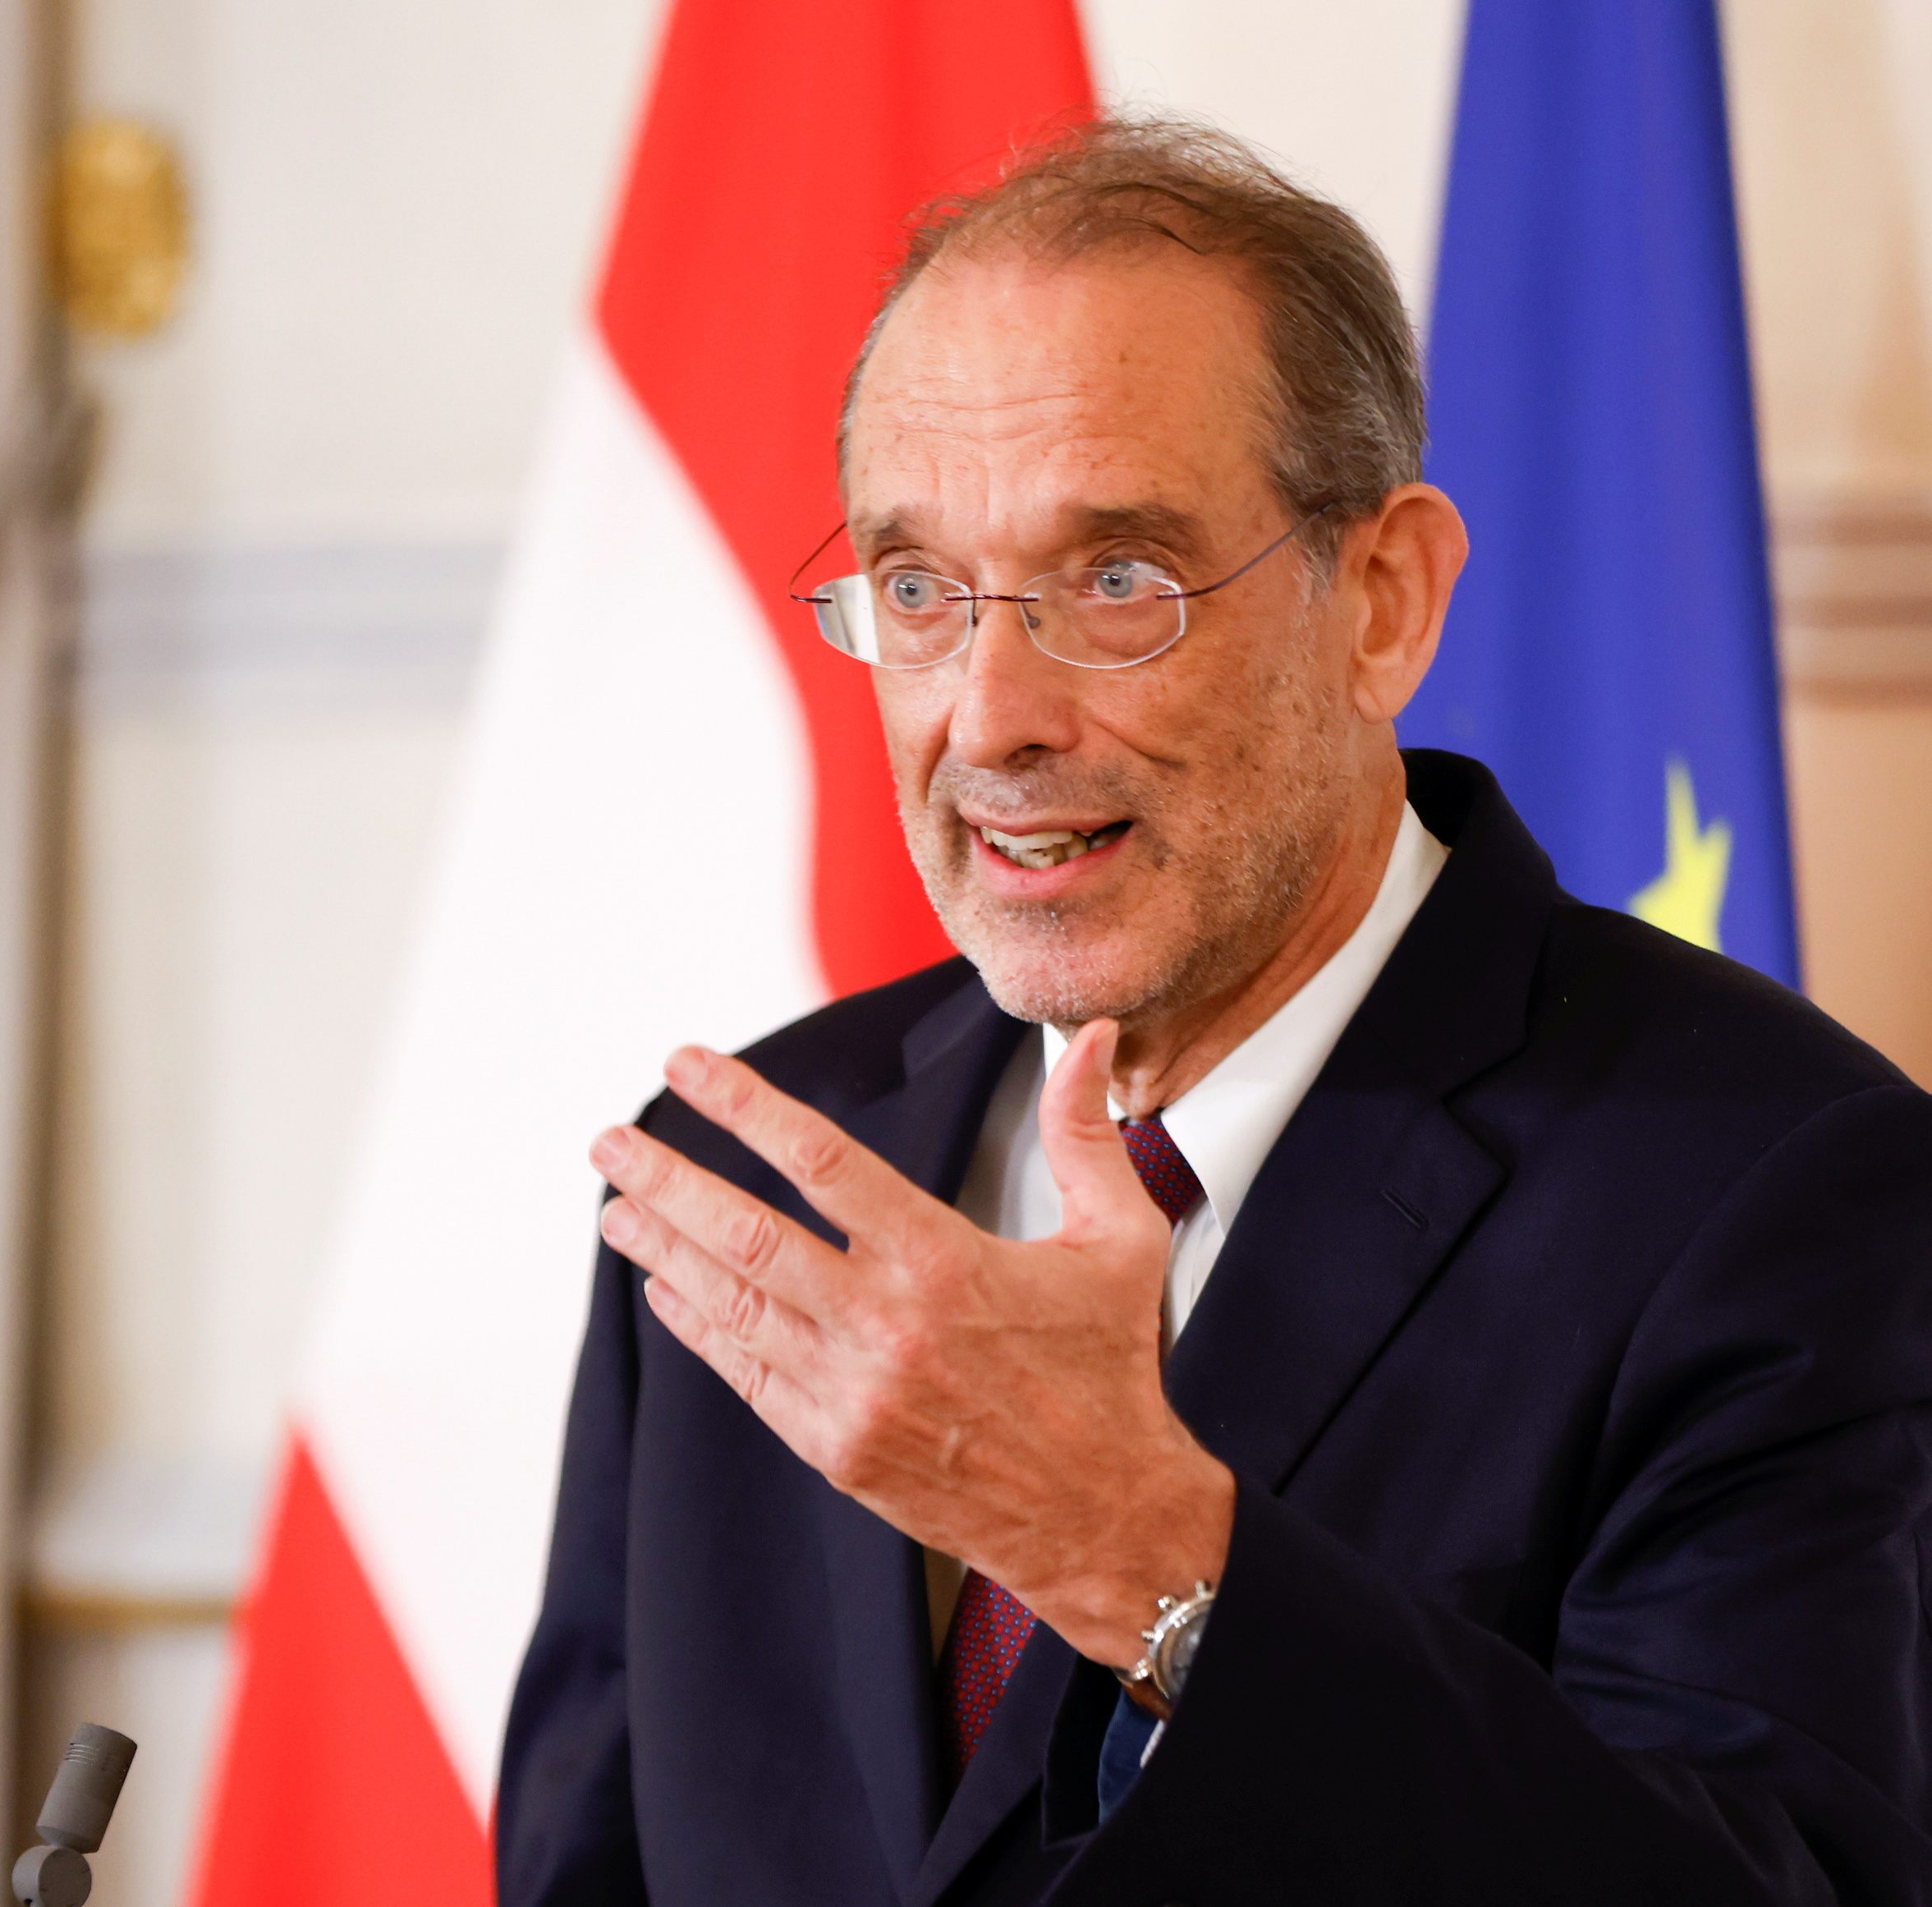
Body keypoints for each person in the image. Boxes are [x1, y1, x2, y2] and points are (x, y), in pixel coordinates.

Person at [494, 116, 1932, 1906]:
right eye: (925, 590)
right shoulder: (754, 1182)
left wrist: (1145, 1559)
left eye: (1116, 581)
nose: (991, 713)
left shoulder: (1777, 1193)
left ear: (1382, 602)